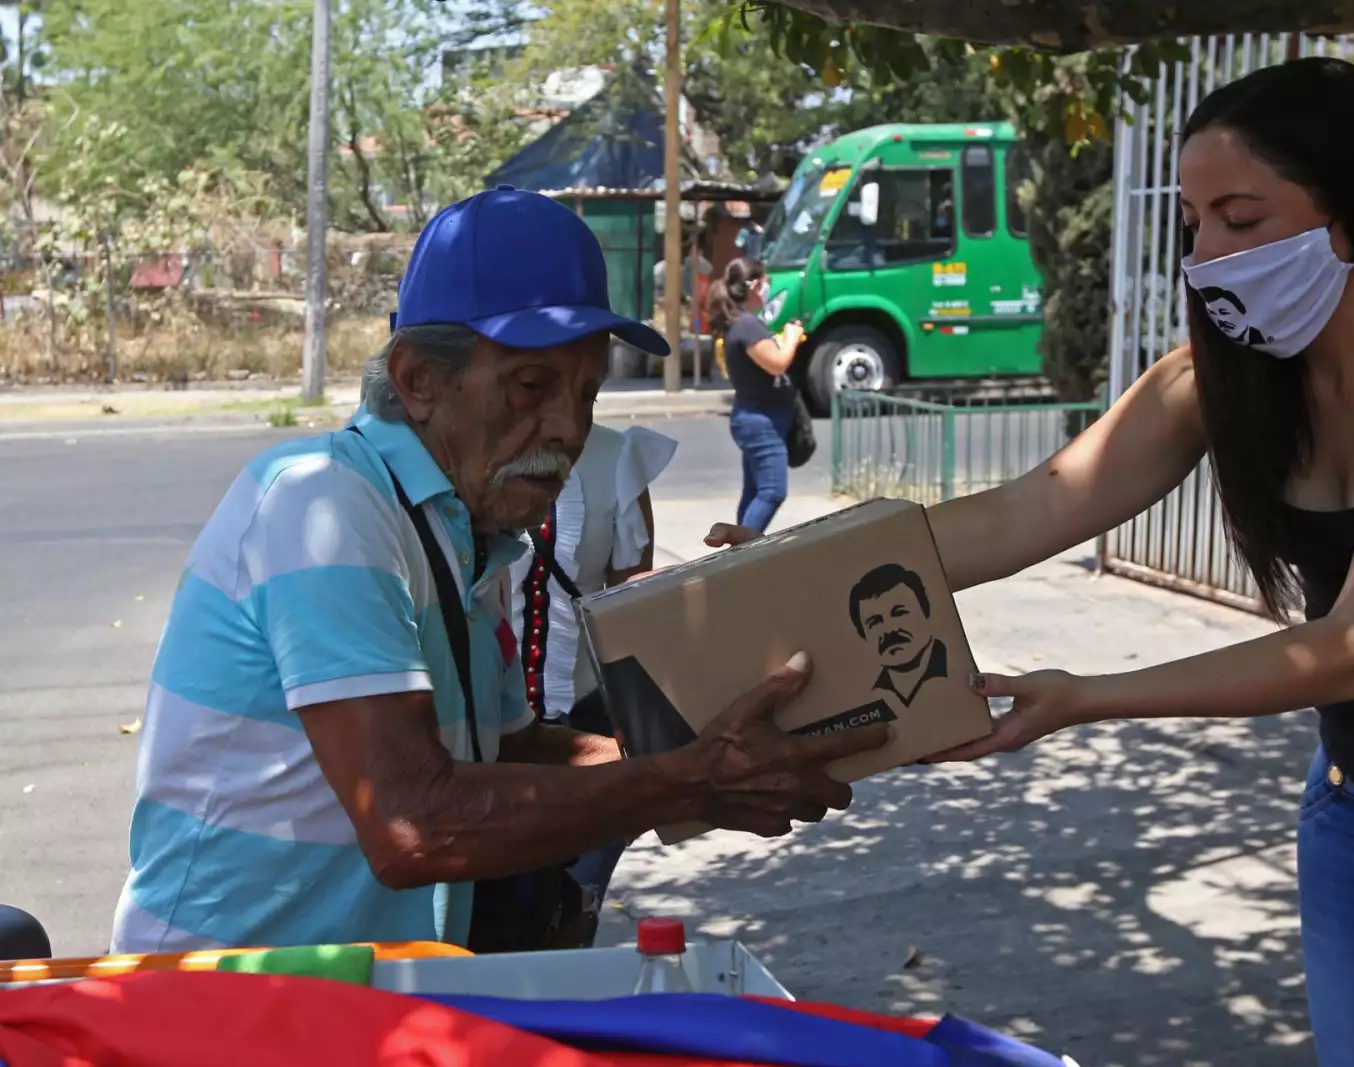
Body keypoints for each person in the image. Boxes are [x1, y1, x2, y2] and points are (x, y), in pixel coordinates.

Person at [708, 58, 1354, 1065]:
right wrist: (789, 567)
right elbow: (1030, 508)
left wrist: (1088, 695)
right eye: (1193, 222)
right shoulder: (1227, 371)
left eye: (1241, 218)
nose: (1207, 254)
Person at [110, 187, 886, 955]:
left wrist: (734, 746)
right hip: (214, 1007)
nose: (570, 429)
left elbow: (513, 751)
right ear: (418, 380)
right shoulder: (325, 504)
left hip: (356, 1004)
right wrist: (692, 779)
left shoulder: (466, 538)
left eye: (587, 393)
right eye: (531, 387)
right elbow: (414, 824)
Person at [508, 421, 677, 944]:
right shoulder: (458, 448)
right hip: (481, 743)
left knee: (569, 918)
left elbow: (633, 612)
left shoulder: (615, 457)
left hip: (586, 730)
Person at [708, 257, 803, 533]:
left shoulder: (744, 322)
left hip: (758, 416)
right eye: (767, 282)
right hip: (761, 421)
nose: (768, 288)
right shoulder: (747, 325)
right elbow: (777, 363)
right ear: (756, 285)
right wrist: (793, 337)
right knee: (772, 491)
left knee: (754, 491)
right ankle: (738, 552)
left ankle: (737, 548)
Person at [847, 564, 948, 708]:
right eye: (875, 622)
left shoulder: (959, 670)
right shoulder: (869, 698)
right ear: (863, 635)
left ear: (925, 609)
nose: (889, 629)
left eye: (899, 613)